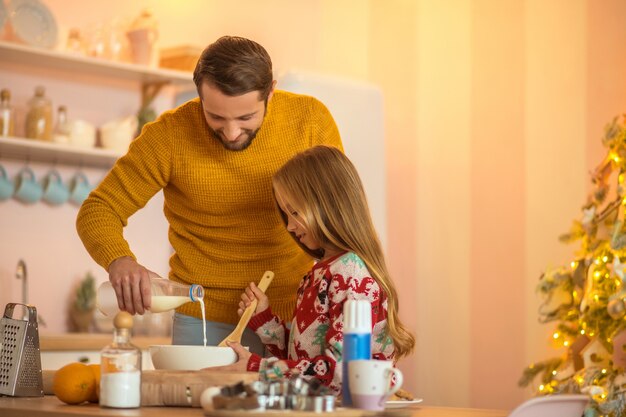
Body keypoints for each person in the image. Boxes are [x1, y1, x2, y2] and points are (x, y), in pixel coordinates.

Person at [76, 36, 343, 353]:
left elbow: (339, 216)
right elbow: (98, 209)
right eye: (216, 116)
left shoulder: (309, 121)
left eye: (246, 118)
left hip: (295, 316)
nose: (231, 132)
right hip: (200, 320)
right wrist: (119, 260)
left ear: (270, 91)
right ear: (199, 94)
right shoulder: (169, 136)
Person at [218, 145, 415, 394]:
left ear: (327, 204)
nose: (289, 226)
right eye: (285, 213)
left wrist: (259, 368)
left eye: (294, 212)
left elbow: (339, 374)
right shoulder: (325, 271)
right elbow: (303, 353)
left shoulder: (349, 275)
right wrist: (265, 320)